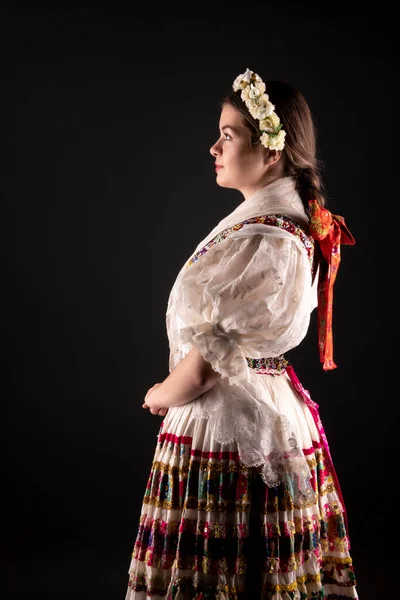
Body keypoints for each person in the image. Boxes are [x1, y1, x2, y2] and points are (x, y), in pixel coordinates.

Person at [124, 68, 358, 600]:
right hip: (255, 413)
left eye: (227, 135)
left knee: (223, 570)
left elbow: (212, 358)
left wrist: (161, 394)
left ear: (271, 151)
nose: (214, 147)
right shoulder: (273, 226)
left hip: (234, 427)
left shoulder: (271, 239)